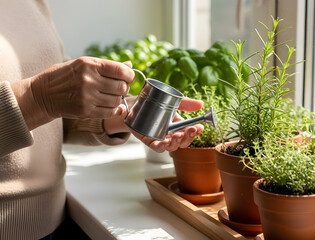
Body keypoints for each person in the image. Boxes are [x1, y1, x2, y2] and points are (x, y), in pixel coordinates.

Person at [0, 0, 204, 239]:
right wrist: (38, 97)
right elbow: (41, 102)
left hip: (58, 220)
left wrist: (123, 115)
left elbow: (53, 120)